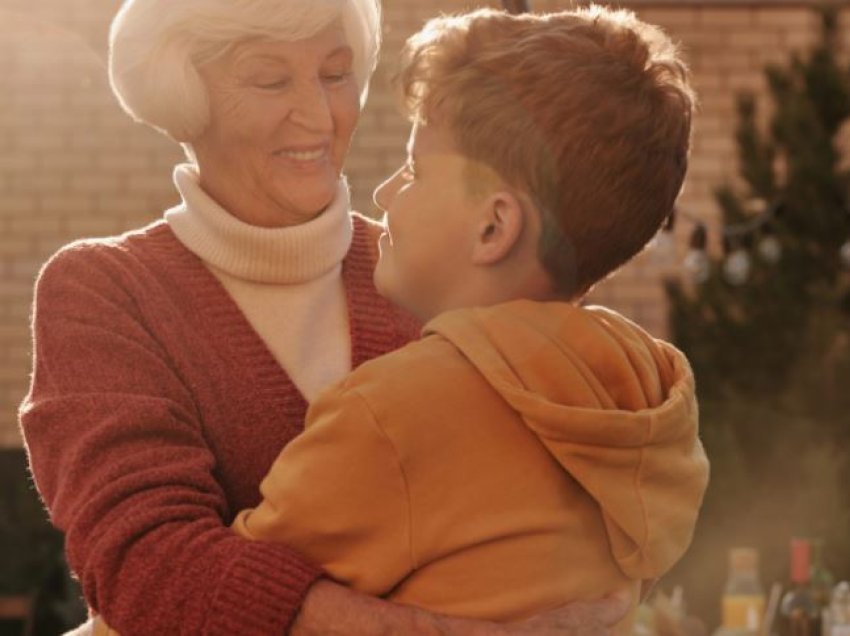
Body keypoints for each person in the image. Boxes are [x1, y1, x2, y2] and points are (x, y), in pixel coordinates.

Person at [19, 0, 630, 634]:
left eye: (336, 75)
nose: (318, 115)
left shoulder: (448, 274)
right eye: (269, 79)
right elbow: (146, 563)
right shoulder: (102, 291)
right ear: (185, 94)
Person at [230, 5, 710, 633]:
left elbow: (219, 603)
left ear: (493, 227)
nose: (384, 193)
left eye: (415, 170)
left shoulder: (393, 412)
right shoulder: (636, 390)